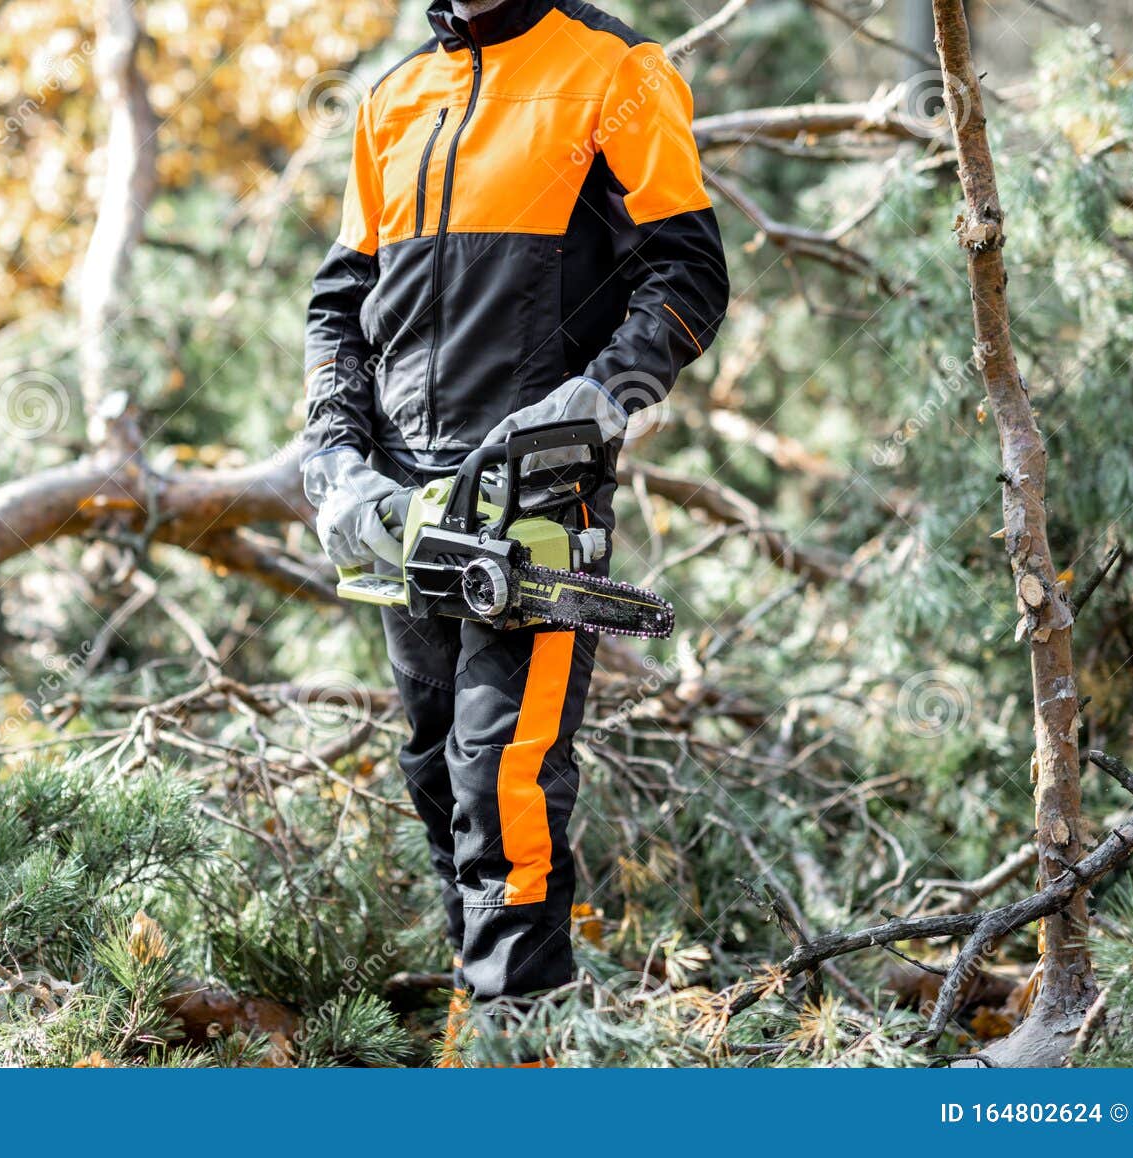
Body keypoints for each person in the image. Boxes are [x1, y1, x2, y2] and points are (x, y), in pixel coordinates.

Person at [299, 0, 729, 1059]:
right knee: (434, 775)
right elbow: (339, 304)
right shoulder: (395, 98)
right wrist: (334, 454)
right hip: (403, 501)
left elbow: (688, 270)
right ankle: (476, 1024)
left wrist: (601, 396)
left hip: (533, 498)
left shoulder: (614, 71)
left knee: (507, 783)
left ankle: (521, 1051)